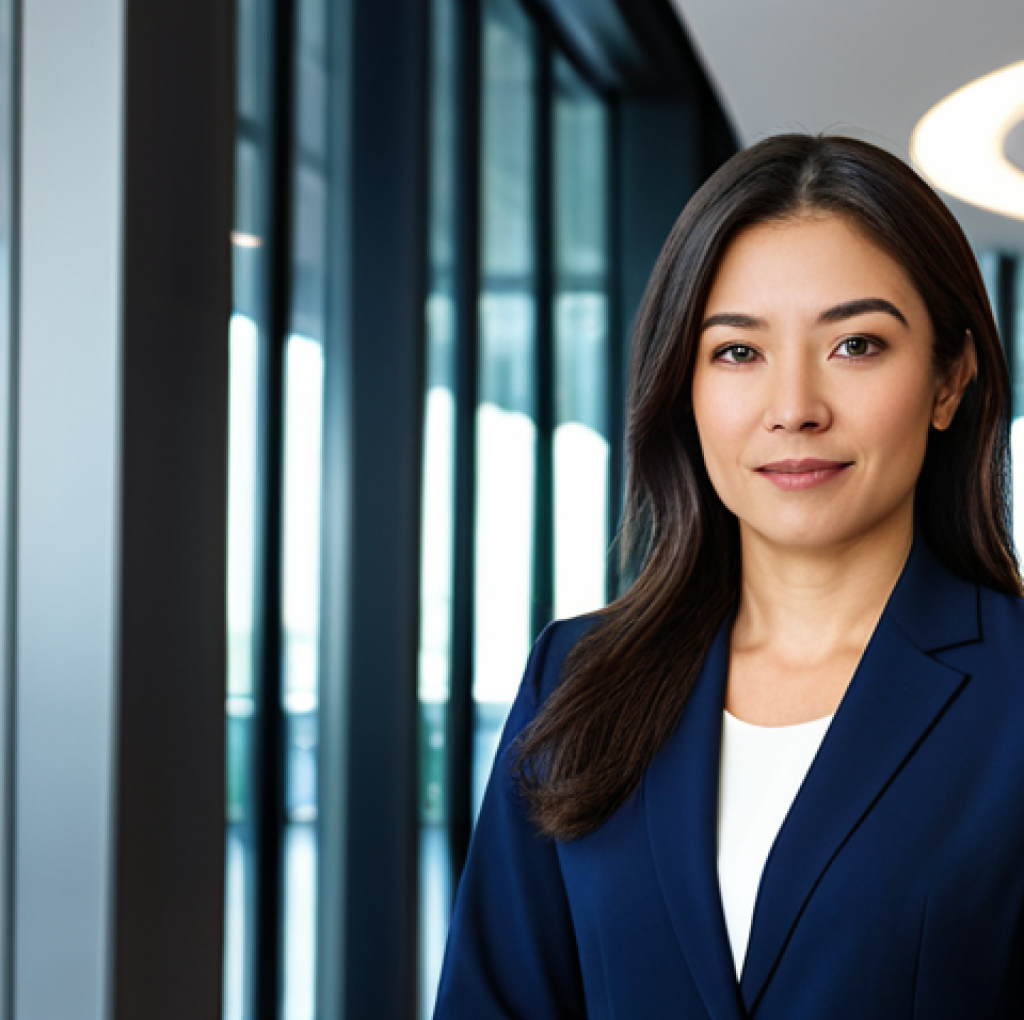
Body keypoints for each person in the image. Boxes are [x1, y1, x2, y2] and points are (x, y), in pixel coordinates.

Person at [432, 134, 1024, 1019]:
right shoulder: (578, 678)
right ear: (685, 386)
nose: (794, 409)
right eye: (738, 353)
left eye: (856, 345)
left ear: (949, 381)